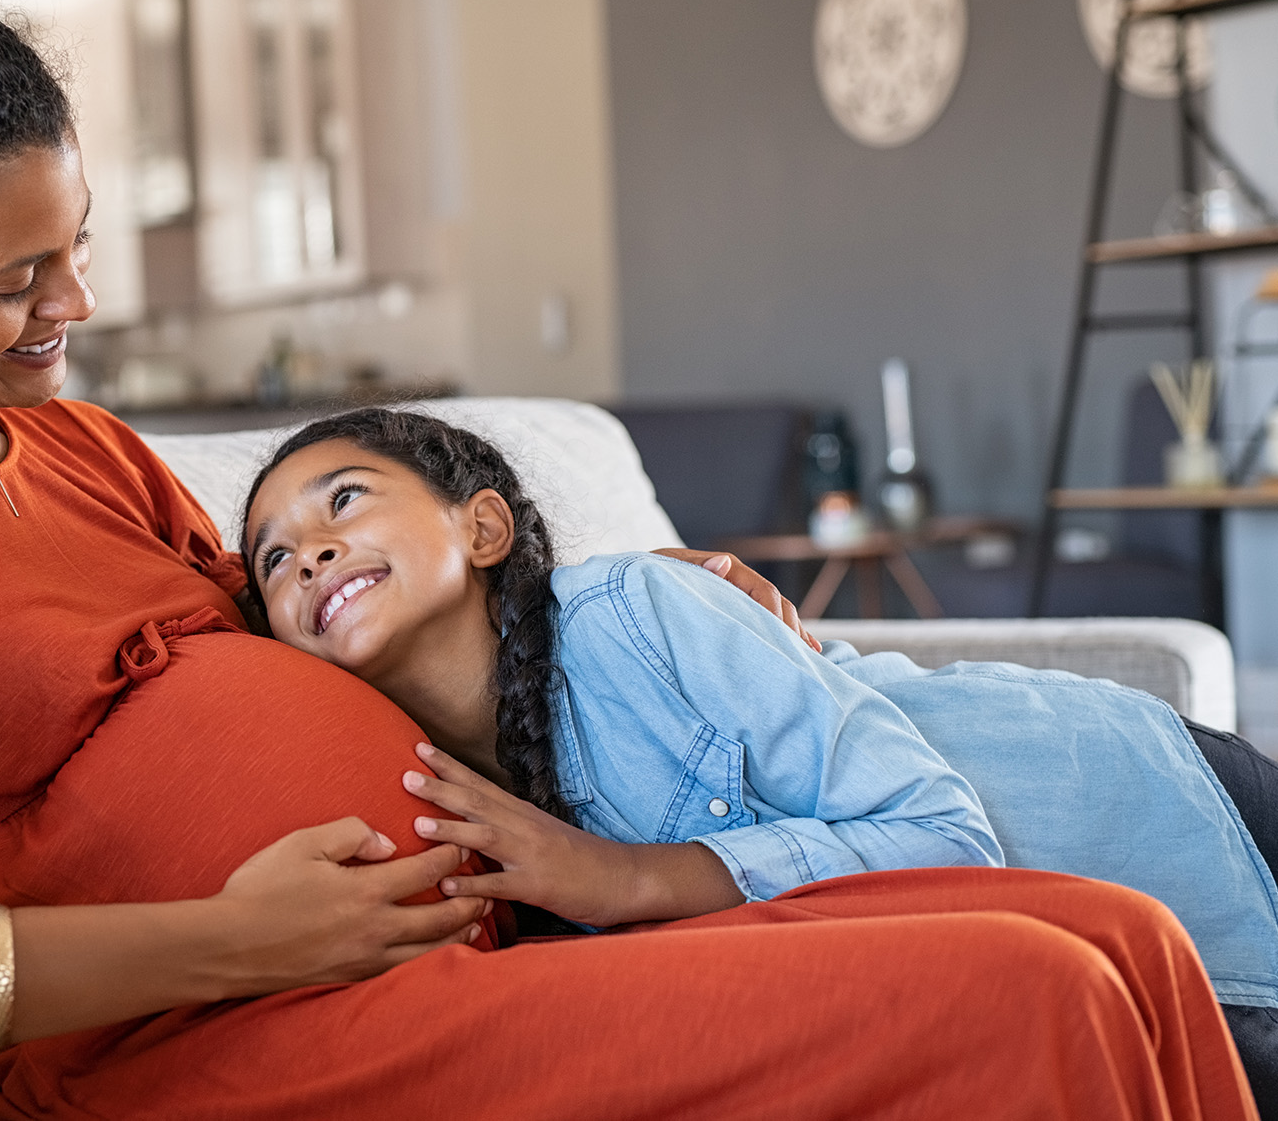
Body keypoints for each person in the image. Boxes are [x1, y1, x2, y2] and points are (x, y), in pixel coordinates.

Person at [0, 0, 1256, 1119]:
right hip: (221, 1032)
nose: (73, 308)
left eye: (79, 247)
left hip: (472, 935)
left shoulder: (79, 447)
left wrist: (651, 605)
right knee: (1027, 996)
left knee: (1120, 935)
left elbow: (364, 624)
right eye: (16, 277)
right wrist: (234, 936)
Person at [241, 405, 1278, 1109]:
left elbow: (940, 831)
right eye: (274, 558)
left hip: (1142, 818)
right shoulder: (433, 786)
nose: (311, 553)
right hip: (1045, 953)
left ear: (480, 528)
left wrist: (630, 880)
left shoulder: (634, 614)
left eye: (342, 501)